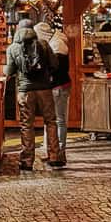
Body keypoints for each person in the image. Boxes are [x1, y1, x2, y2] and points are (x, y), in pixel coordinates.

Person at [5, 19, 61, 170]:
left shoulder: (13, 48)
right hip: (44, 89)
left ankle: (27, 160)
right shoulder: (43, 44)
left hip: (25, 91)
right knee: (50, 121)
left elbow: (9, 72)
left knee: (26, 125)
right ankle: (54, 156)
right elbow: (55, 64)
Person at [35, 22, 71, 164]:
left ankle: (59, 151)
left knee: (58, 120)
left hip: (58, 87)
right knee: (50, 120)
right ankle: (50, 150)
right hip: (53, 87)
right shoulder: (51, 43)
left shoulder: (58, 46)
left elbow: (56, 71)